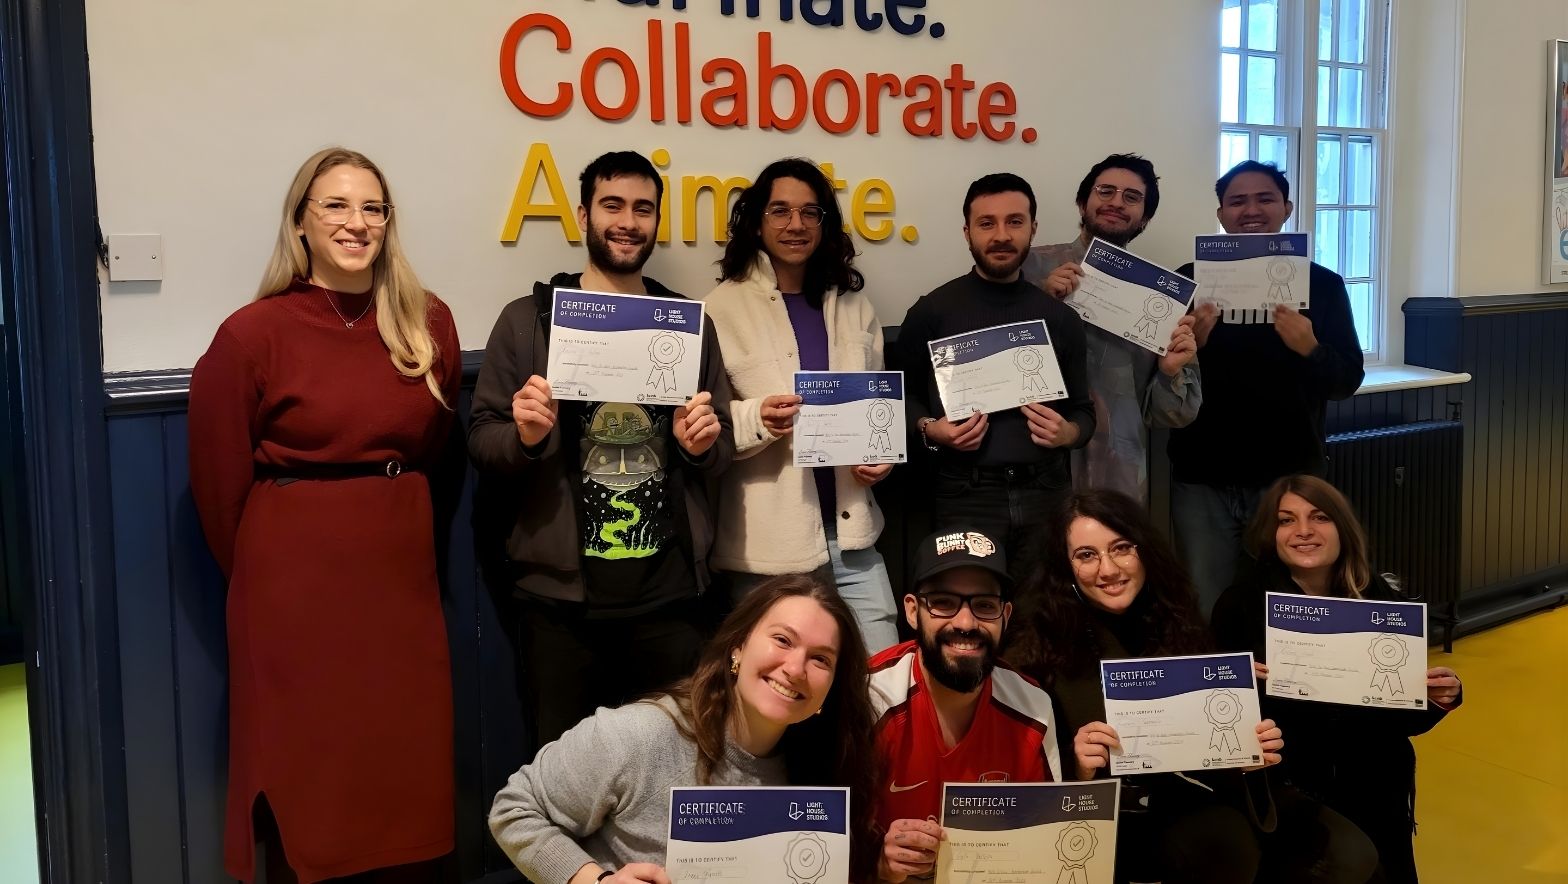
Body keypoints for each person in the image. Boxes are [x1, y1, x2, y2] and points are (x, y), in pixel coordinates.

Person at [188, 148, 461, 883]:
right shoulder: (251, 334)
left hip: (400, 582)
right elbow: (219, 490)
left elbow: (438, 447)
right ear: (301, 222)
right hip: (292, 594)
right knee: (310, 771)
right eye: (335, 205)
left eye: (373, 207)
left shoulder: (427, 321)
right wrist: (272, 574)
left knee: (403, 765)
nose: (356, 222)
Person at [468, 150, 735, 747]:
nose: (628, 222)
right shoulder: (528, 321)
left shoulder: (686, 323)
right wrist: (524, 438)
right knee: (564, 779)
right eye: (612, 205)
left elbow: (721, 448)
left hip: (671, 598)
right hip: (559, 607)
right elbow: (483, 440)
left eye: (643, 209)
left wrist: (701, 444)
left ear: (656, 221)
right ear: (584, 215)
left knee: (676, 768)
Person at [1004, 489, 1377, 884]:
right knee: (1224, 845)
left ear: (1145, 550)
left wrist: (1247, 754)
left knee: (1347, 851)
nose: (1108, 569)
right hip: (1097, 812)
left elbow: (1205, 757)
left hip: (1182, 793)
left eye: (1122, 548)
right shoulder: (1034, 644)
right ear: (1064, 566)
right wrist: (1076, 765)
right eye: (1086, 555)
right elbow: (1014, 771)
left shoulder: (1173, 616)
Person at [489, 574, 880, 884]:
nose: (795, 669)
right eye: (782, 640)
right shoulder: (640, 735)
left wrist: (882, 863)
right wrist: (596, 881)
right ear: (738, 647)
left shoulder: (823, 772)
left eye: (820, 659)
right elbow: (514, 809)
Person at [1213, 475, 1463, 884]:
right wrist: (1240, 687)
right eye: (1286, 520)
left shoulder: (1382, 601)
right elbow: (1223, 726)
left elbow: (1405, 721)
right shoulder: (1240, 605)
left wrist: (1438, 697)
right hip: (1291, 786)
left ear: (1342, 529)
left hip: (1375, 782)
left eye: (1319, 517)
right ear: (1271, 534)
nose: (1303, 531)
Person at [702, 157, 899, 652]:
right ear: (756, 222)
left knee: (884, 679)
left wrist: (881, 456)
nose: (796, 224)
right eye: (780, 211)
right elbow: (703, 422)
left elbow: (877, 405)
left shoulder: (854, 304)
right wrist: (759, 418)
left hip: (854, 538)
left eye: (811, 212)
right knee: (781, 686)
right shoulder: (720, 308)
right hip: (768, 551)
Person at [1168, 160, 1366, 615]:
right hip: (1202, 476)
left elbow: (1346, 381)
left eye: (1265, 199)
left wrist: (1311, 348)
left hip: (1289, 476)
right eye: (1237, 201)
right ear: (1221, 214)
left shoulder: (1323, 285)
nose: (1251, 210)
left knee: (1292, 603)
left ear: (1286, 208)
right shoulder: (1189, 279)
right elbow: (1161, 377)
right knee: (1207, 601)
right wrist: (1192, 347)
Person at [897, 173, 1095, 578]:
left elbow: (1083, 412)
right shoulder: (931, 312)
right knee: (970, 604)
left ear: (1033, 228)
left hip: (1046, 492)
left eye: (1015, 221)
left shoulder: (1060, 318)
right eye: (987, 223)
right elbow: (904, 398)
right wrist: (931, 429)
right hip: (964, 493)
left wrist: (1068, 433)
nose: (1001, 235)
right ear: (967, 232)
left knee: (1045, 607)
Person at [868, 529, 1063, 883]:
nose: (965, 623)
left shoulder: (1032, 708)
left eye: (984, 605)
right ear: (912, 611)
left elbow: (1047, 848)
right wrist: (876, 863)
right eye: (943, 602)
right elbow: (823, 843)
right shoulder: (870, 698)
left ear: (1005, 615)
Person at [1020, 153, 1201, 501]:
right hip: (1034, 469)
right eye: (1105, 191)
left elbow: (1174, 414)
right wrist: (1041, 301)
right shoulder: (1028, 266)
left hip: (1118, 477)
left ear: (1144, 217)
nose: (1117, 202)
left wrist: (1169, 372)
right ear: (1082, 202)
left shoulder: (1163, 297)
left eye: (1132, 197)